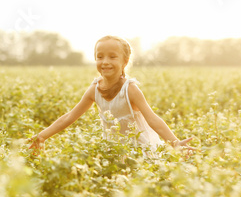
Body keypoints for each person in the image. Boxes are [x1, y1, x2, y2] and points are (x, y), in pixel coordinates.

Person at [28, 35, 194, 154]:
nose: (105, 61)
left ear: (125, 61)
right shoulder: (94, 89)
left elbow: (153, 119)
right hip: (113, 150)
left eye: (112, 57)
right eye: (100, 57)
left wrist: (175, 143)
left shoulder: (130, 89)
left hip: (140, 150)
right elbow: (70, 117)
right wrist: (42, 136)